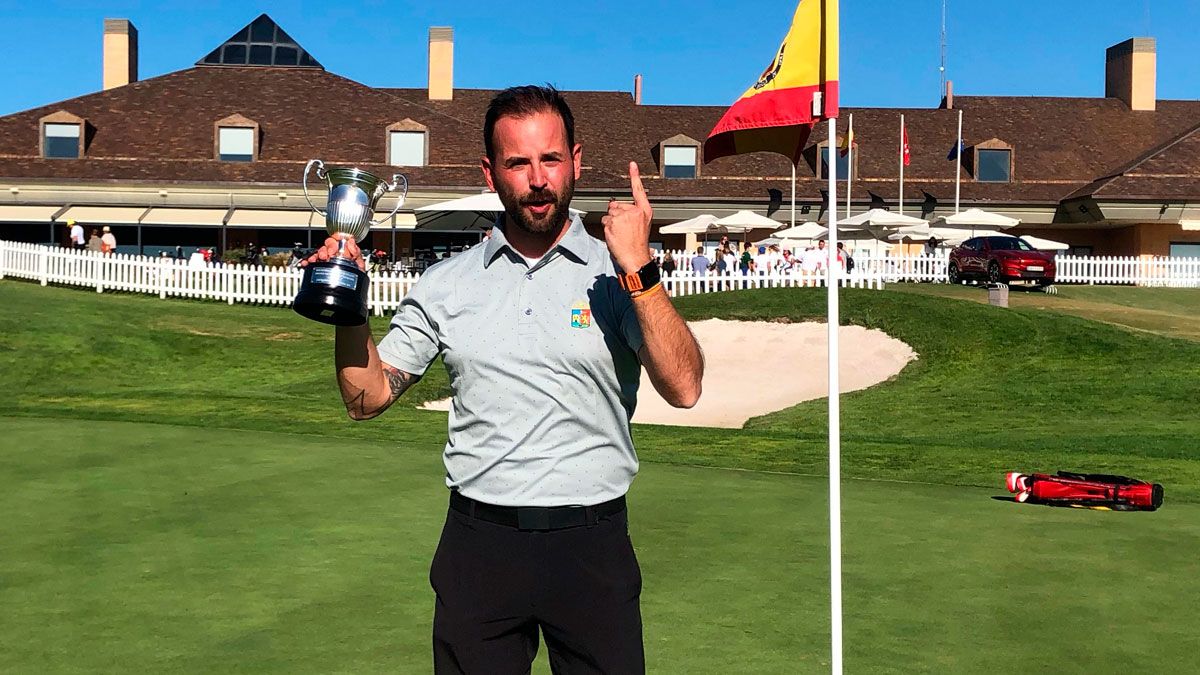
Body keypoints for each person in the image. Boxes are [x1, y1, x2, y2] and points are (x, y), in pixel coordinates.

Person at [303, 85, 703, 674]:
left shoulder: (616, 274)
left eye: (551, 158)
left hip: (590, 546)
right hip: (480, 546)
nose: (537, 178)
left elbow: (685, 386)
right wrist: (349, 309)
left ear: (577, 161)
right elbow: (367, 397)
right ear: (491, 174)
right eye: (518, 162)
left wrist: (639, 269)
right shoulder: (446, 283)